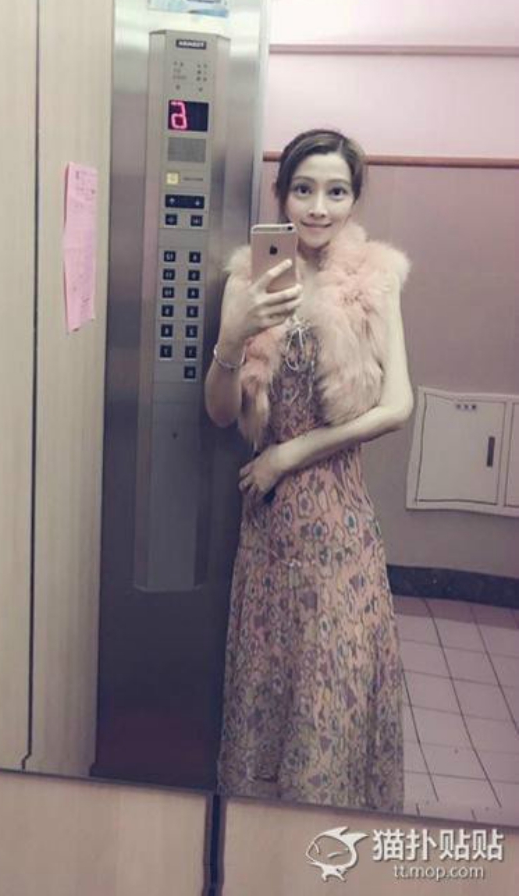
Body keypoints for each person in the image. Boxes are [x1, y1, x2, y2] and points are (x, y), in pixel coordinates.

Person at [204, 128, 413, 812]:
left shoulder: (375, 280)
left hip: (340, 525)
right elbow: (220, 413)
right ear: (281, 194)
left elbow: (397, 405)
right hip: (268, 532)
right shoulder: (251, 279)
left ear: (354, 200)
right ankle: (259, 838)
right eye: (304, 189)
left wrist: (290, 454)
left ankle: (323, 840)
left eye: (336, 191)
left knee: (332, 689)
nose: (319, 207)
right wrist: (231, 338)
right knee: (269, 685)